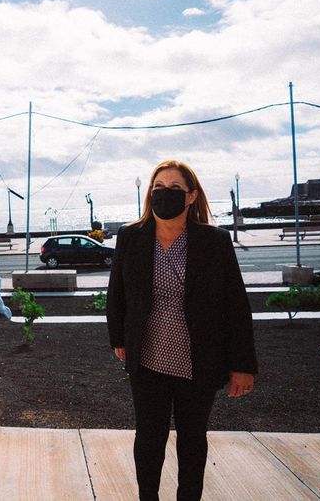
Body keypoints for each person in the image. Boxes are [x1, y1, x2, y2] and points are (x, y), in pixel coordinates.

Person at [106, 159, 257, 501]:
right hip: (147, 357)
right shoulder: (131, 237)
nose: (165, 194)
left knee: (192, 439)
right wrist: (119, 338)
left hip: (199, 359)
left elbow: (235, 305)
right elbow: (117, 294)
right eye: (158, 188)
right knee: (148, 438)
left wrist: (243, 365)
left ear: (191, 197)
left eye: (175, 189)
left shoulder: (214, 241)